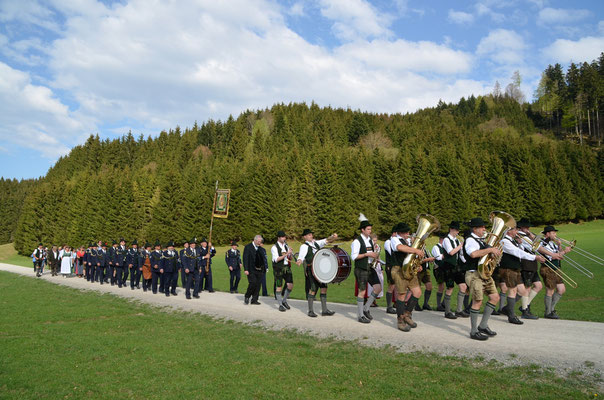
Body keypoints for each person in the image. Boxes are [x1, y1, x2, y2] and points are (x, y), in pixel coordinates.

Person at [463, 217, 501, 341]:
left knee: (495, 297)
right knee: (477, 301)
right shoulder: (470, 240)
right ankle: (474, 331)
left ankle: (483, 325)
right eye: (482, 227)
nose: (485, 229)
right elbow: (473, 254)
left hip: (484, 273)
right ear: (475, 229)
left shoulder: (481, 240)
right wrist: (490, 249)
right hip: (474, 274)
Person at [498, 226, 545, 324]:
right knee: (513, 291)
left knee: (523, 291)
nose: (516, 232)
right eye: (515, 230)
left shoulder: (513, 241)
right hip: (507, 269)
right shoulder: (504, 241)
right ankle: (511, 316)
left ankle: (507, 308)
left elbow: (520, 250)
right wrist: (534, 257)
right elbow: (517, 252)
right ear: (508, 232)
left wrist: (519, 244)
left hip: (515, 269)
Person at [516, 218, 559, 319]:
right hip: (526, 263)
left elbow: (539, 244)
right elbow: (536, 247)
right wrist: (552, 254)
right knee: (527, 287)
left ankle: (524, 307)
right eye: (526, 227)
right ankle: (525, 310)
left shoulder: (527, 236)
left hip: (532, 262)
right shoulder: (520, 236)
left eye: (528, 227)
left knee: (538, 286)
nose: (528, 229)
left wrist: (533, 237)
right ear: (521, 227)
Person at [390, 223, 425, 332]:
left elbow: (412, 257)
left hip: (409, 270)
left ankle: (407, 314)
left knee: (417, 292)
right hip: (399, 270)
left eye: (408, 232)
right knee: (402, 295)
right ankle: (400, 320)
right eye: (406, 232)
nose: (408, 234)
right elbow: (400, 248)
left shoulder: (409, 241)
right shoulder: (394, 239)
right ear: (400, 232)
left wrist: (417, 265)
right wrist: (415, 250)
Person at [296, 229, 338, 318]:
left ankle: (324, 310)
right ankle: (310, 311)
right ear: (305, 237)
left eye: (311, 234)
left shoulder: (316, 243)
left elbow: (326, 240)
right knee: (313, 289)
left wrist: (333, 237)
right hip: (311, 269)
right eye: (309, 235)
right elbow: (301, 256)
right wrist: (299, 260)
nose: (311, 236)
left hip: (320, 270)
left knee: (324, 288)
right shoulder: (304, 246)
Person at [539, 225, 572, 319]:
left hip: (556, 268)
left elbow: (559, 254)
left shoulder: (552, 243)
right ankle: (548, 312)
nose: (555, 234)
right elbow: (553, 256)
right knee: (550, 290)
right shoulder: (543, 244)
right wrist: (564, 252)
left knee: (561, 289)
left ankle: (551, 309)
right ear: (548, 234)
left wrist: (560, 246)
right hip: (548, 268)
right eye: (553, 233)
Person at [351, 220, 381, 323]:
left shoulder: (369, 240)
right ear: (362, 230)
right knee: (362, 292)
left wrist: (376, 258)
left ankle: (366, 308)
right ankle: (360, 315)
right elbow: (354, 257)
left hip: (370, 267)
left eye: (370, 229)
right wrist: (367, 255)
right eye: (368, 229)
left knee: (378, 288)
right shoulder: (357, 241)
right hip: (361, 268)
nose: (370, 231)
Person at [442, 221, 467, 319]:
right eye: (456, 230)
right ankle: (447, 311)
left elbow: (459, 254)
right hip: (448, 266)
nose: (457, 232)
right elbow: (451, 252)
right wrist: (460, 246)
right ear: (451, 229)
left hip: (456, 266)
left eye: (458, 230)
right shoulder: (446, 240)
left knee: (463, 287)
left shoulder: (456, 240)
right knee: (450, 288)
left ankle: (459, 310)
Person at [271, 231, 294, 312]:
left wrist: (290, 254)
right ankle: (280, 304)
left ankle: (284, 300)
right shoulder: (274, 247)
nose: (284, 238)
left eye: (284, 237)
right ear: (279, 238)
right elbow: (276, 259)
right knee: (279, 286)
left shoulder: (286, 246)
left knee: (290, 285)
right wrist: (286, 253)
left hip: (286, 267)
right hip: (278, 268)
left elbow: (289, 258)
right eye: (282, 237)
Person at [243, 235, 264, 305]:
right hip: (251, 269)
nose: (259, 243)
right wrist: (246, 269)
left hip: (259, 269)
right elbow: (245, 259)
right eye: (258, 241)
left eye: (260, 242)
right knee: (253, 283)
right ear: (254, 240)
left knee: (258, 285)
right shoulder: (248, 247)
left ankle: (254, 299)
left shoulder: (260, 248)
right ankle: (247, 296)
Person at [431, 232, 447, 311]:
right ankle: (438, 305)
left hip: (446, 268)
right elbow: (439, 257)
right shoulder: (436, 247)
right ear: (441, 239)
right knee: (441, 286)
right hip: (438, 268)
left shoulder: (446, 248)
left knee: (449, 286)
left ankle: (444, 303)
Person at [383, 227, 398, 314]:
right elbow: (392, 253)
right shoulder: (388, 242)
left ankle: (396, 304)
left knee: (396, 285)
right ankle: (389, 306)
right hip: (390, 266)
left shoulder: (396, 241)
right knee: (391, 286)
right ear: (394, 233)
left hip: (396, 266)